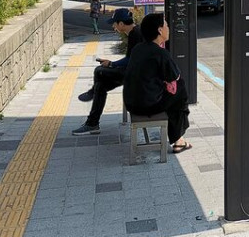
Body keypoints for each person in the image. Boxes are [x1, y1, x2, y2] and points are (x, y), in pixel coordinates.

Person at [123, 13, 191, 153]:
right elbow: (175, 76)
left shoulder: (138, 49)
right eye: (166, 25)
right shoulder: (161, 53)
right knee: (180, 90)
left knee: (172, 95)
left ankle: (178, 138)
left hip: (131, 103)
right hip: (147, 106)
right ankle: (179, 140)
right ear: (160, 30)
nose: (168, 28)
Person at [72, 8, 142, 136]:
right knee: (101, 86)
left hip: (136, 76)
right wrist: (112, 64)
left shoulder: (136, 34)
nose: (113, 26)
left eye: (114, 23)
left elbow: (130, 59)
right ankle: (92, 123)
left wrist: (111, 64)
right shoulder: (135, 32)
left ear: (121, 24)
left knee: (99, 71)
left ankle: (92, 96)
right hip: (132, 72)